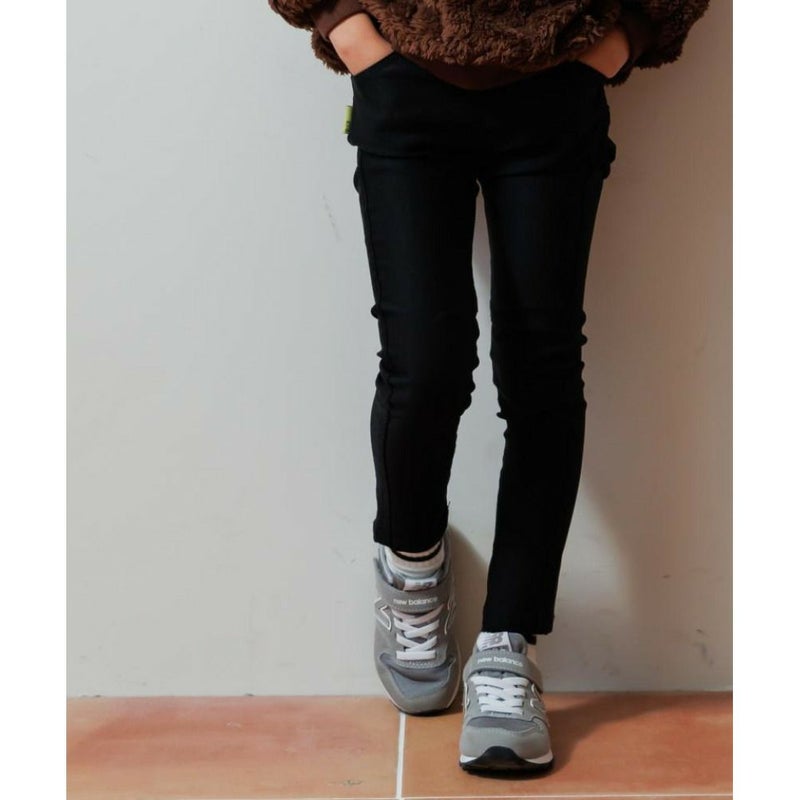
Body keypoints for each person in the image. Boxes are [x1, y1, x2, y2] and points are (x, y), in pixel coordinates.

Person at [267, 0, 710, 774]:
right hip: (403, 75)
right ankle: (412, 569)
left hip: (559, 80)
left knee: (541, 369)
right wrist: (344, 24)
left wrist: (627, 34)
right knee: (424, 364)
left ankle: (509, 644)